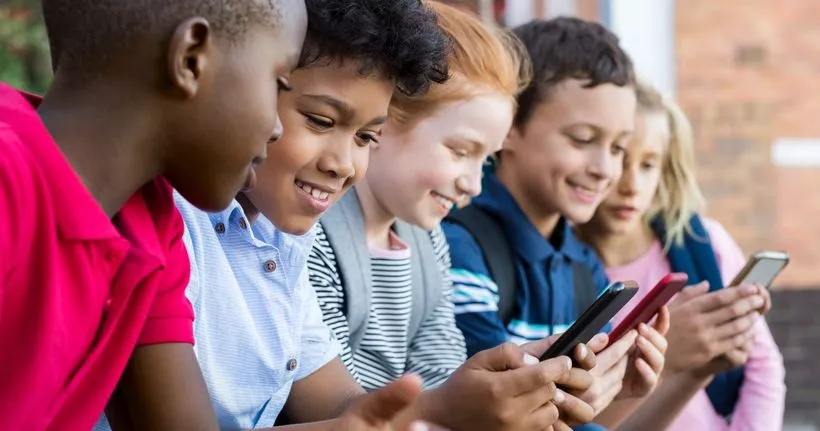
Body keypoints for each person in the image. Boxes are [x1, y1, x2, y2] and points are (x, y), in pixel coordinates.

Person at [106, 0, 450, 429]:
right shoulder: (165, 222)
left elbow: (338, 402)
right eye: (320, 121)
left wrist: (455, 406)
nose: (343, 164)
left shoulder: (279, 235)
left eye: (366, 137)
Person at [0, 0, 306, 429]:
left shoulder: (150, 225)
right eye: (279, 82)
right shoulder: (9, 189)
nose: (277, 128)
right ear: (190, 59)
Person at [308, 3, 599, 430]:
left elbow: (440, 373)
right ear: (383, 122)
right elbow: (328, 404)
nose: (473, 185)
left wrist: (505, 386)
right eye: (460, 152)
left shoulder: (430, 243)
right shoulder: (315, 236)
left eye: (484, 161)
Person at [441, 17, 669, 429]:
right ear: (508, 128)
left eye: (618, 147)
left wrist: (622, 392)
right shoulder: (460, 247)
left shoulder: (586, 267)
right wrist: (575, 397)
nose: (605, 169)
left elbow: (573, 419)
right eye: (582, 139)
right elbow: (500, 413)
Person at [576, 81, 785, 431]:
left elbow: (762, 366)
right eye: (621, 158)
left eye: (648, 165)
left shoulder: (704, 245)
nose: (631, 185)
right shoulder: (562, 269)